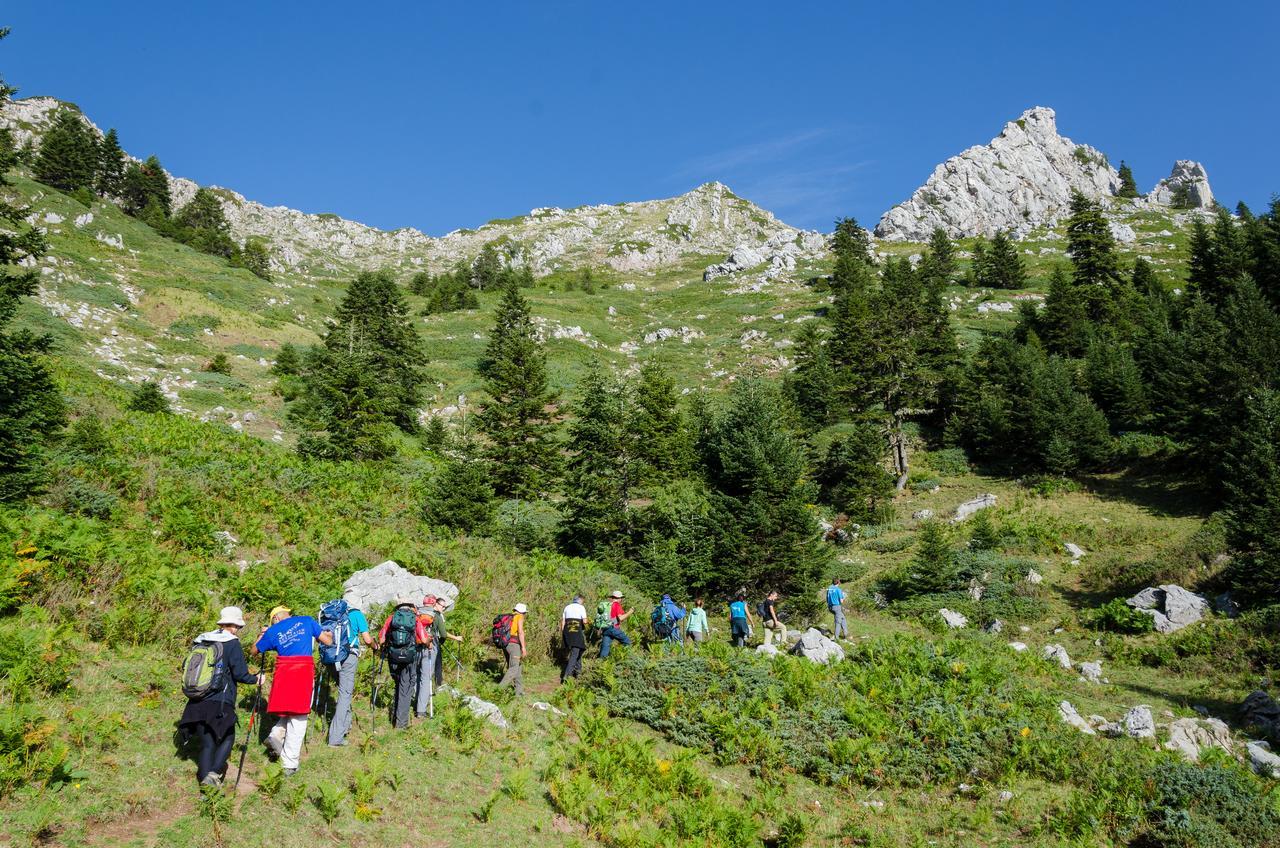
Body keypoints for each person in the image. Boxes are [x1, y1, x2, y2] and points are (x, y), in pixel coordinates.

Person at [178, 606, 260, 786]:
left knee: (207, 743)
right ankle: (213, 774)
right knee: (228, 737)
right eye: (239, 627)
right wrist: (256, 680)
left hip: (197, 699)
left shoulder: (202, 640)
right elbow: (240, 674)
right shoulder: (232, 642)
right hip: (220, 702)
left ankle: (206, 783)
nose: (238, 630)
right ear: (234, 625)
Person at [254, 605, 333, 776]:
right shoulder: (306, 620)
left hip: (283, 672)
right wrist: (330, 634)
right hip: (303, 671)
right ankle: (289, 763)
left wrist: (261, 635)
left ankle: (276, 734)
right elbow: (327, 641)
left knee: (289, 709)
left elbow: (254, 650)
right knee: (299, 716)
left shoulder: (273, 631)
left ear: (275, 619)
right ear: (286, 614)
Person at [326, 592, 376, 747]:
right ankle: (335, 738)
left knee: (343, 692)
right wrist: (376, 646)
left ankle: (345, 726)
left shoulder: (334, 613)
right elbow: (367, 639)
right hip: (349, 656)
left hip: (331, 656)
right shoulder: (357, 614)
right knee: (345, 694)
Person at [378, 597, 430, 729]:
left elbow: (382, 639)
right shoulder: (415, 619)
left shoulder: (391, 618)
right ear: (411, 606)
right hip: (408, 657)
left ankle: (395, 716)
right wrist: (429, 643)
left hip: (393, 657)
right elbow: (424, 639)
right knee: (406, 688)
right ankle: (401, 724)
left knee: (398, 684)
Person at [415, 595, 439, 719]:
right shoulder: (435, 615)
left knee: (415, 676)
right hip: (429, 648)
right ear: (434, 604)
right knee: (426, 678)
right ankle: (421, 710)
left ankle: (413, 702)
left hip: (415, 647)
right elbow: (442, 633)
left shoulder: (416, 613)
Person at [431, 595, 463, 685]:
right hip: (434, 641)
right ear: (436, 604)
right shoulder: (437, 616)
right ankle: (438, 684)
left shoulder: (427, 613)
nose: (444, 608)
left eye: (445, 606)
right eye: (442, 606)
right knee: (438, 663)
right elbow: (443, 634)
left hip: (423, 641)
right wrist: (441, 641)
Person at [498, 602, 528, 696]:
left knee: (518, 666)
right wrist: (523, 647)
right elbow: (520, 632)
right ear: (522, 612)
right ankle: (498, 690)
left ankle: (519, 692)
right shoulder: (519, 617)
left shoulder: (510, 616)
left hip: (505, 644)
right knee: (514, 668)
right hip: (514, 645)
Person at [560, 595, 588, 683]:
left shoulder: (567, 607)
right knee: (575, 653)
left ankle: (578, 673)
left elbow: (563, 622)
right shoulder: (581, 607)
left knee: (578, 650)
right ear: (580, 601)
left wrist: (563, 634)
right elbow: (585, 621)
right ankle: (566, 676)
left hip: (567, 632)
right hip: (576, 632)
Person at [598, 590, 633, 658]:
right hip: (613, 628)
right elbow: (621, 618)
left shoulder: (608, 605)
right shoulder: (617, 605)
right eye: (621, 598)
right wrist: (630, 612)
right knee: (627, 642)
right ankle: (623, 658)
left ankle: (601, 663)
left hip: (605, 629)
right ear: (619, 598)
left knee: (605, 648)